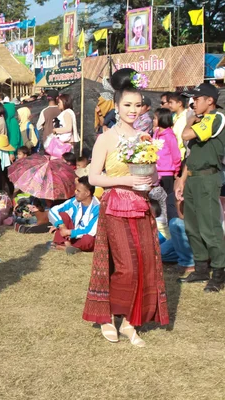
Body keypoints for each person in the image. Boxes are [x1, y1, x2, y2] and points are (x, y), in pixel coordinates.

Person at [83, 68, 169, 347]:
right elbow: (94, 177)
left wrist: (148, 177)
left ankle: (132, 321)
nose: (133, 110)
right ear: (117, 106)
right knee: (125, 267)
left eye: (137, 105)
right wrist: (127, 179)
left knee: (144, 264)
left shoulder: (145, 138)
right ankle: (108, 316)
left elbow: (154, 174)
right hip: (115, 206)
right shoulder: (106, 138)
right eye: (127, 105)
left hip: (141, 205)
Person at [175, 83, 225, 292]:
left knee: (209, 226)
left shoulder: (216, 117)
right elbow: (191, 154)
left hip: (207, 177)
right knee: (192, 226)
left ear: (209, 100)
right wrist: (182, 180)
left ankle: (219, 271)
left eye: (196, 99)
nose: (193, 103)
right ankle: (201, 267)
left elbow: (185, 136)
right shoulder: (200, 119)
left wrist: (188, 121)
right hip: (194, 177)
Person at [49, 176, 100, 254]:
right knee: (63, 215)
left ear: (87, 193)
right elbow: (53, 210)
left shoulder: (97, 208)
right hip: (70, 236)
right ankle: (68, 245)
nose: (75, 192)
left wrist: (69, 232)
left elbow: (90, 231)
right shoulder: (74, 201)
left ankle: (66, 246)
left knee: (88, 239)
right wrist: (61, 225)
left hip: (82, 237)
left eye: (78, 191)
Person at [160, 193, 194, 271]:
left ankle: (189, 263)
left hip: (206, 233)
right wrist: (178, 201)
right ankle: (198, 257)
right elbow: (181, 217)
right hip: (188, 233)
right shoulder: (173, 196)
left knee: (176, 223)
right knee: (160, 254)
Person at [153, 108, 181, 194]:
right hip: (156, 172)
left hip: (166, 173)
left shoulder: (169, 135)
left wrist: (177, 169)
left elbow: (176, 154)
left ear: (162, 119)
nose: (153, 120)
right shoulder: (156, 133)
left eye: (155, 118)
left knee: (166, 198)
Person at [46, 94, 79, 159]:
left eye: (59, 102)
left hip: (63, 144)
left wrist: (56, 130)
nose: (58, 104)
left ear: (64, 102)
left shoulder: (67, 113)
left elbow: (68, 128)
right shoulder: (67, 112)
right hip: (64, 144)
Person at [167, 92, 189, 160]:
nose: (169, 105)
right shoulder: (174, 116)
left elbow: (180, 139)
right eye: (169, 103)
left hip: (180, 156)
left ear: (179, 103)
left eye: (171, 103)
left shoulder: (185, 117)